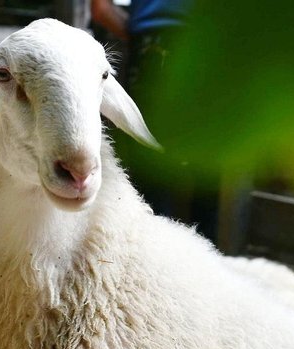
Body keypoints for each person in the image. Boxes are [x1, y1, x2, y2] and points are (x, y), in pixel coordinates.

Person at [90, 0, 217, 241]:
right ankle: (208, 267)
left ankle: (153, 267)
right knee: (207, 173)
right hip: (210, 47)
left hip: (151, 50)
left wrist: (141, 33)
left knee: (151, 176)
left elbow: (101, 9)